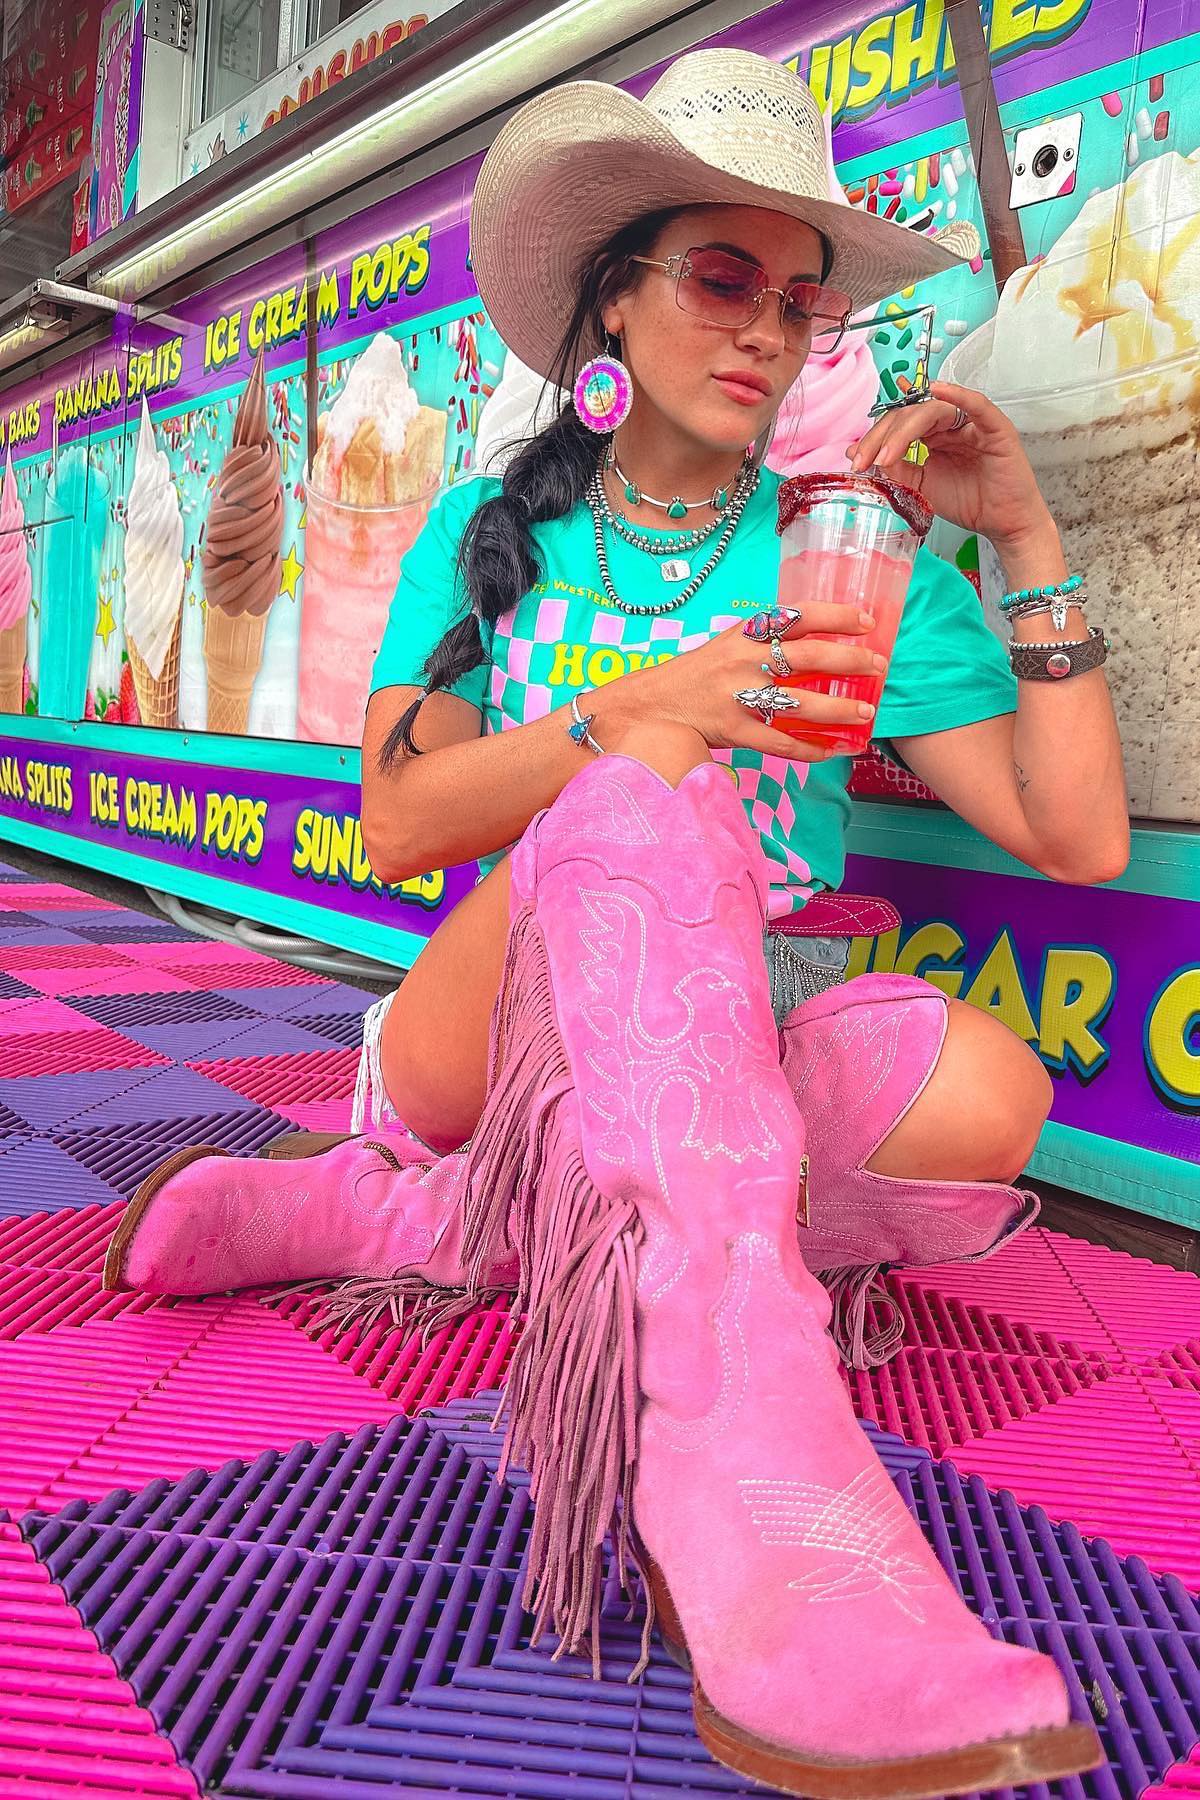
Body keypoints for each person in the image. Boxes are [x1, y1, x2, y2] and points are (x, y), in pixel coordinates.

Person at [101, 48, 1124, 1794]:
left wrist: (1021, 535)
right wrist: (626, 721)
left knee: (987, 1097)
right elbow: (399, 820)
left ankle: (434, 1233)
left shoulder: (848, 559)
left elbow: (1079, 834)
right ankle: (743, 1467)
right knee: (640, 805)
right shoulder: (487, 534)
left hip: (738, 1039)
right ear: (613, 308)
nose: (765, 334)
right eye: (720, 279)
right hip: (487, 1024)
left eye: (796, 305)